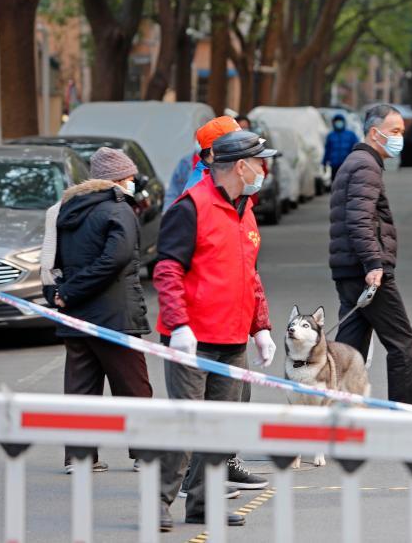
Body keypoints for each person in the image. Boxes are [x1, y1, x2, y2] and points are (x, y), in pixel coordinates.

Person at [153, 130, 278, 532]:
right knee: (186, 425)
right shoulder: (190, 208)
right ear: (241, 166)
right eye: (260, 162)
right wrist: (179, 325)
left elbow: (249, 275)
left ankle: (203, 505)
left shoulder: (246, 209)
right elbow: (167, 271)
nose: (265, 169)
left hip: (232, 339)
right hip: (193, 342)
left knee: (220, 427)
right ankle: (157, 502)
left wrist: (261, 328)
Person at [41, 147, 153, 472]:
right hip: (115, 316)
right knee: (133, 387)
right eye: (130, 177)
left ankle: (79, 458)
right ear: (118, 179)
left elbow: (53, 258)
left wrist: (62, 294)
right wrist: (72, 291)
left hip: (75, 316)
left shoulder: (66, 209)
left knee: (81, 388)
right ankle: (145, 453)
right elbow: (115, 260)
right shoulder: (119, 210)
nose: (133, 182)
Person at [329, 104, 412, 405]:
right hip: (366, 271)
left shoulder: (358, 162)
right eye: (394, 132)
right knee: (403, 346)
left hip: (350, 269)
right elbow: (359, 219)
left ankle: (332, 415)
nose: (399, 138)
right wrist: (374, 263)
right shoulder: (365, 166)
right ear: (374, 132)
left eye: (402, 132)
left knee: (348, 350)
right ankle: (404, 418)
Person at [165, 116, 240, 208]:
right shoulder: (198, 189)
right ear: (213, 151)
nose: (241, 153)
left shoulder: (220, 179)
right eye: (233, 147)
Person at [322, 113, 358, 182]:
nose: (338, 123)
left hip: (347, 165)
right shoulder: (331, 135)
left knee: (347, 185)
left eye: (340, 121)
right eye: (337, 121)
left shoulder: (350, 135)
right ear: (333, 123)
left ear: (344, 122)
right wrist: (324, 163)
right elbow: (327, 150)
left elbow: (356, 149)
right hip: (334, 166)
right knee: (335, 184)